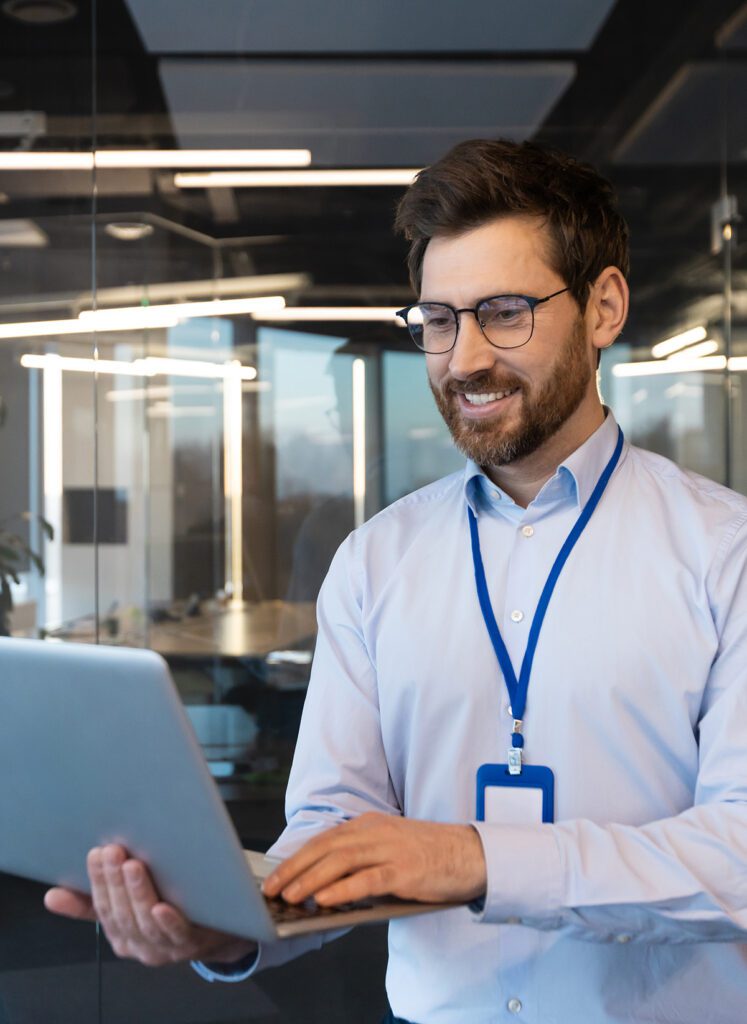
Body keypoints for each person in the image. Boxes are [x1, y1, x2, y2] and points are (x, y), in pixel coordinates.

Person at [46, 139, 747, 1023]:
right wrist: (232, 929)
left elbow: (737, 858)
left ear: (604, 306)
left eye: (503, 311)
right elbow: (333, 830)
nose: (462, 360)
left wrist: (478, 857)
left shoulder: (726, 554)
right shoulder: (376, 562)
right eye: (439, 320)